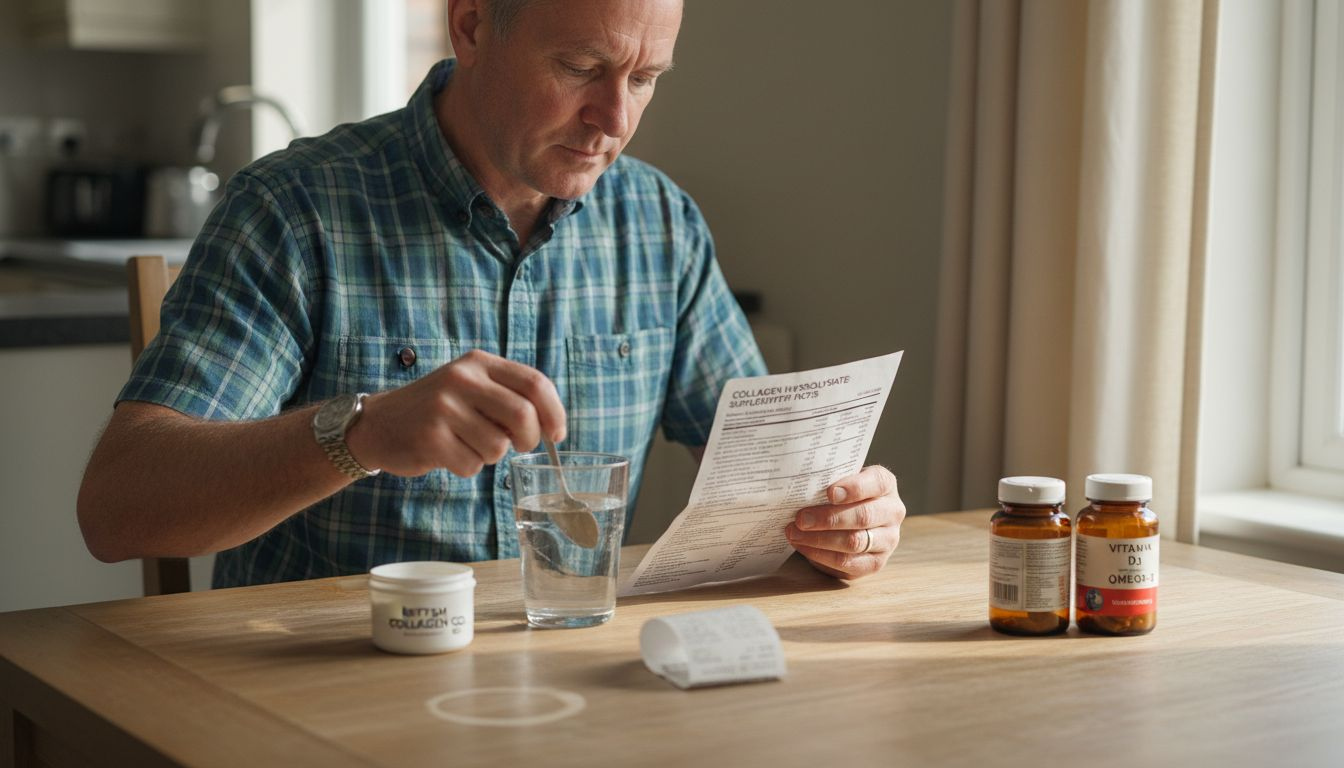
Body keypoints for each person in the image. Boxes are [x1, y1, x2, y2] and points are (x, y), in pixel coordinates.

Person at [77, 0, 905, 588]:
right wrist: (359, 434)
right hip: (327, 694)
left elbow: (765, 489)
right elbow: (118, 511)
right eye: (582, 66)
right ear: (470, 24)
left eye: (646, 77)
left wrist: (836, 522)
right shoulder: (297, 212)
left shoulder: (660, 224)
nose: (613, 118)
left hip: (573, 699)